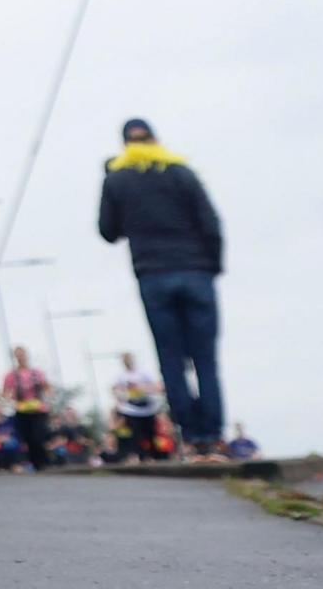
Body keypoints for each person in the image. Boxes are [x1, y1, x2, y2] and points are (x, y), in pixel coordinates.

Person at [97, 117, 225, 457]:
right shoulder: (182, 172)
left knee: (170, 358)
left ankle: (193, 436)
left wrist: (110, 180)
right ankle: (212, 434)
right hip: (196, 272)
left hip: (153, 275)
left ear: (125, 145)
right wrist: (212, 266)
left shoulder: (118, 180)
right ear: (156, 140)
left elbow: (107, 231)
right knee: (205, 359)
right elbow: (211, 223)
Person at [0, 347, 54, 471]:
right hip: (22, 410)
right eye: (18, 355)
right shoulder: (11, 375)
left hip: (38, 409)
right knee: (28, 438)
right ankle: (36, 463)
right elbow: (5, 392)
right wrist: (9, 398)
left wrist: (49, 395)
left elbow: (47, 387)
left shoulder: (37, 373)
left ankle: (44, 462)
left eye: (22, 354)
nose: (21, 357)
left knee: (38, 436)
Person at [108, 353, 167, 463]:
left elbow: (157, 386)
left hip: (148, 408)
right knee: (136, 434)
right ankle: (142, 456)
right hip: (131, 410)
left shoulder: (143, 373)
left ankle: (156, 455)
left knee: (151, 432)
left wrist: (145, 389)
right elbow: (115, 390)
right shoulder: (120, 376)